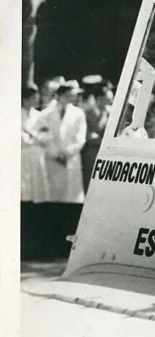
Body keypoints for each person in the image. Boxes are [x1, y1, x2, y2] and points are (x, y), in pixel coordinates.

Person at [39, 80, 87, 259]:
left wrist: (66, 153)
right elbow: (44, 137)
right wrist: (54, 154)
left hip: (70, 162)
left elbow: (80, 139)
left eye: (73, 95)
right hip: (53, 163)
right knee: (53, 205)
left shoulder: (79, 114)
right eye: (69, 95)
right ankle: (51, 247)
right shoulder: (46, 114)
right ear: (59, 96)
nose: (72, 98)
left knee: (71, 204)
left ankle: (66, 248)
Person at [22, 84, 50, 259]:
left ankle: (35, 247)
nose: (37, 99)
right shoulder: (14, 114)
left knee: (37, 204)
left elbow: (47, 137)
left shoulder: (39, 116)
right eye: (34, 96)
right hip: (22, 161)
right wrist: (32, 138)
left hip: (37, 161)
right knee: (23, 201)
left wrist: (35, 137)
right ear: (25, 99)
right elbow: (19, 140)